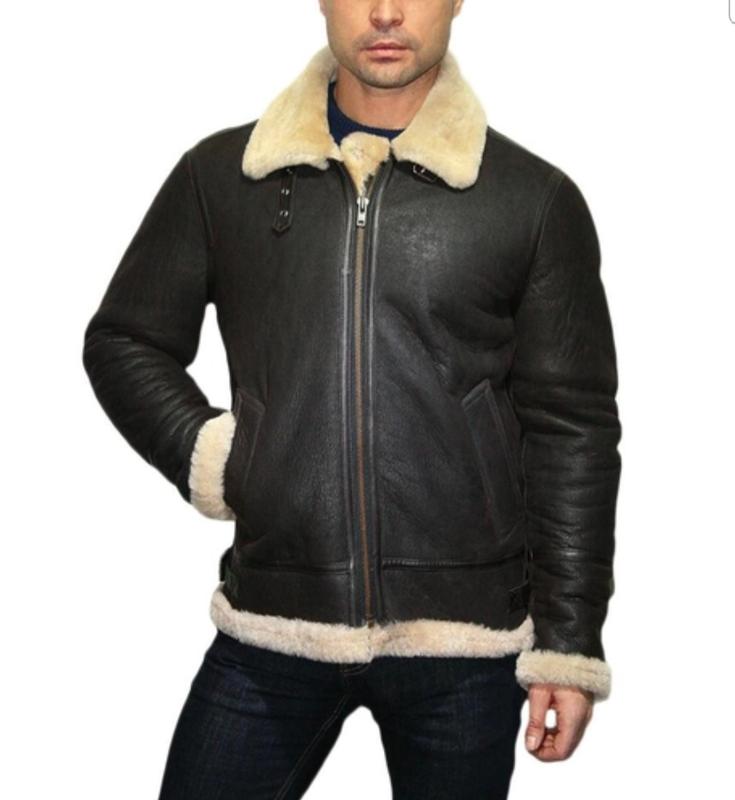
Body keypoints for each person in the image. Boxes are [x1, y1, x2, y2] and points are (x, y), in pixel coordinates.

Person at [81, 1, 622, 797]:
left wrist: (569, 646)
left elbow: (571, 428)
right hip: (274, 621)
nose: (386, 12)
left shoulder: (530, 198)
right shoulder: (223, 177)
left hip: (464, 643)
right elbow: (125, 339)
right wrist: (220, 458)